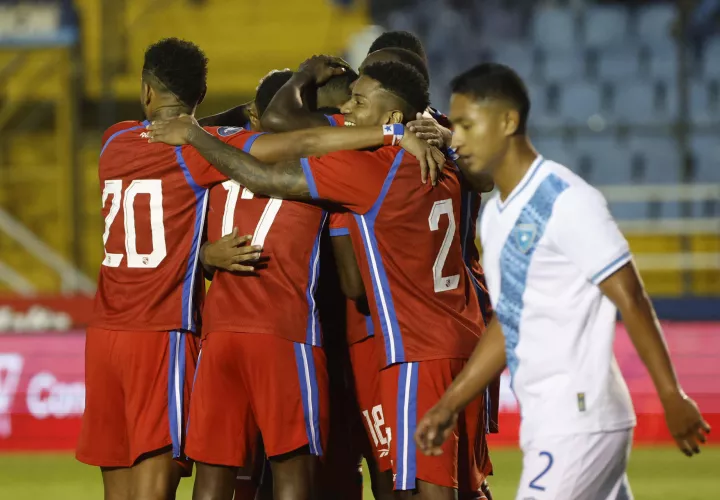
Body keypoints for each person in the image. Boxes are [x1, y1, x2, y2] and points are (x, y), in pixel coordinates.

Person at [147, 59, 491, 500]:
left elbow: (267, 171)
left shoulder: (369, 169)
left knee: (423, 488)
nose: (346, 108)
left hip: (412, 350)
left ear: (391, 117)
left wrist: (195, 132)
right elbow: (484, 176)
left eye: (358, 101)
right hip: (464, 340)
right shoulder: (440, 155)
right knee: (464, 483)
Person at [415, 63, 712, 500]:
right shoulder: (496, 217)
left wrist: (671, 393)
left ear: (507, 121)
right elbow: (509, 321)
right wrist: (449, 405)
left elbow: (629, 295)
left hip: (580, 418)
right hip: (549, 420)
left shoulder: (566, 199)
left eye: (465, 124)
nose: (454, 139)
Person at [75, 37, 260, 500]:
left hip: (103, 336)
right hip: (160, 335)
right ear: (198, 97)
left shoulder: (112, 142)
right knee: (156, 483)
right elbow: (273, 152)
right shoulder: (198, 152)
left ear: (145, 91)